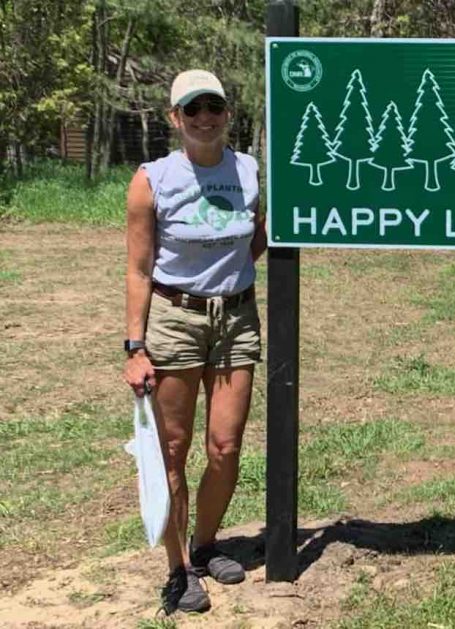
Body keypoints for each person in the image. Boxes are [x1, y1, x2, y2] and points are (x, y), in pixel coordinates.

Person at [122, 69, 266, 615]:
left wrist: (227, 279)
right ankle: (178, 567)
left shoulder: (249, 170)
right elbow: (138, 269)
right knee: (172, 449)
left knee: (225, 446)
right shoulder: (153, 179)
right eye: (193, 109)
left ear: (227, 113)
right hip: (174, 319)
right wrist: (135, 347)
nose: (205, 118)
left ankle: (206, 545)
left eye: (214, 107)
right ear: (175, 118)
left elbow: (255, 237)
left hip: (236, 319)